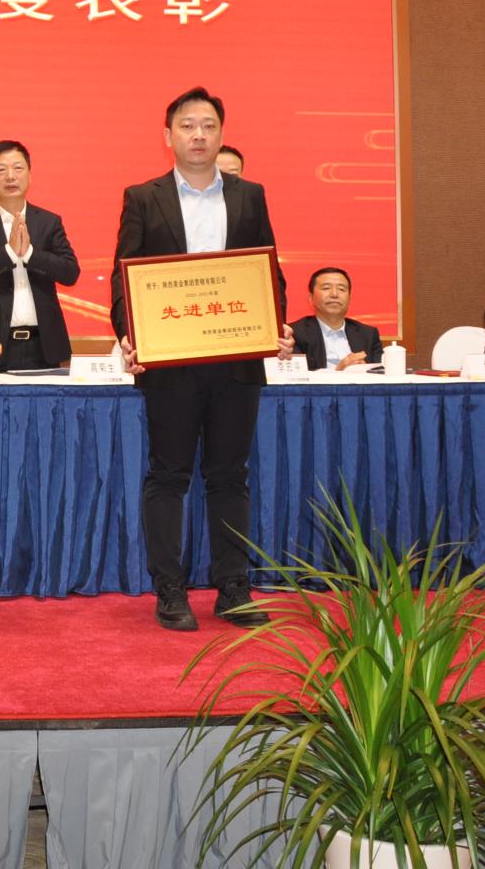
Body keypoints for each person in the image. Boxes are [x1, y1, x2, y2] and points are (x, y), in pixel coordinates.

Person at [110, 86, 291, 633]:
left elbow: (269, 270)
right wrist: (129, 336)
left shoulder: (250, 195)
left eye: (208, 125)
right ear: (168, 136)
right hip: (170, 363)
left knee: (230, 476)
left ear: (221, 134)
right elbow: (124, 277)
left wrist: (275, 325)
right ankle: (170, 589)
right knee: (168, 475)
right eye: (187, 125)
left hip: (236, 361)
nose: (198, 135)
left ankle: (234, 588)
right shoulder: (143, 198)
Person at [0, 140, 80, 371]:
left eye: (18, 168)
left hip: (45, 346)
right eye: (1, 170)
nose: (10, 176)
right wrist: (9, 252)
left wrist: (30, 254)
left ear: (30, 174)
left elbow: (70, 272)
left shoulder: (48, 221)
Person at [290, 267, 382, 371]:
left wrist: (365, 370)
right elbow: (297, 376)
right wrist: (338, 371)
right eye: (326, 288)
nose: (334, 294)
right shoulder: (294, 333)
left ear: (349, 299)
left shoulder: (368, 334)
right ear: (311, 298)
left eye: (341, 289)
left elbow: (380, 372)